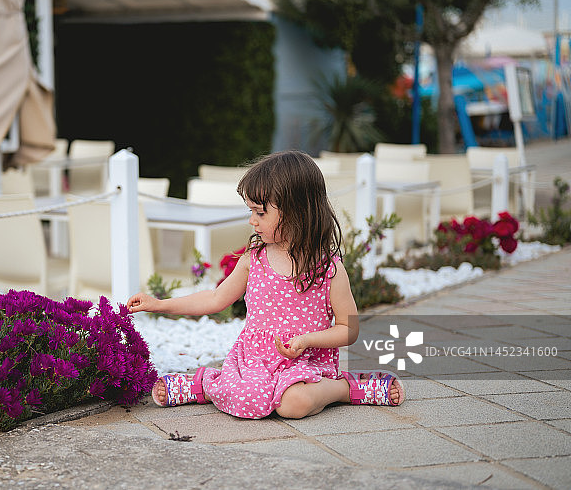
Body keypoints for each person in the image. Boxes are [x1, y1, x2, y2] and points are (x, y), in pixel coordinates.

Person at [127, 151, 404, 419]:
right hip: (256, 361)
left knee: (293, 404)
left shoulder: (328, 270)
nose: (252, 220)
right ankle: (205, 385)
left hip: (307, 364)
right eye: (251, 211)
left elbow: (349, 329)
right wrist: (160, 304)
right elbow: (214, 299)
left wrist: (307, 340)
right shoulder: (254, 260)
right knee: (248, 398)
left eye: (260, 212)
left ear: (296, 211)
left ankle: (347, 388)